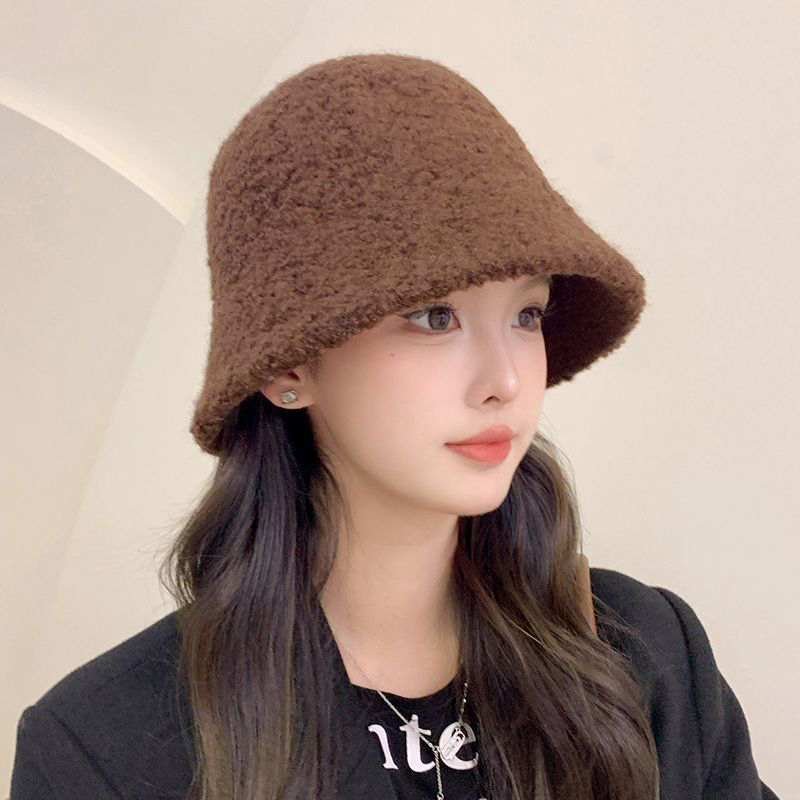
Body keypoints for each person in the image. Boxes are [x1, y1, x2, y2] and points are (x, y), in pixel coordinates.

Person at [10, 52, 778, 800]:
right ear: (288, 366)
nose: (506, 381)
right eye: (434, 316)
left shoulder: (647, 657)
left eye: (526, 314)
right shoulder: (107, 750)